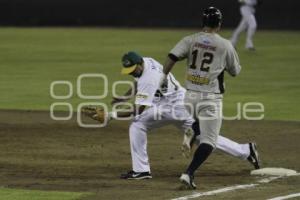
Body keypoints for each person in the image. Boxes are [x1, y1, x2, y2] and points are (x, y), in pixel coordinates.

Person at [109, 51, 259, 180]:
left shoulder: (149, 78)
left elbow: (138, 110)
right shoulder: (146, 62)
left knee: (137, 124)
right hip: (176, 101)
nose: (132, 72)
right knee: (204, 138)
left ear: (140, 64)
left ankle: (141, 170)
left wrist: (111, 115)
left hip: (174, 107)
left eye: (133, 69)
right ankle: (246, 150)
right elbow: (137, 83)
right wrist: (123, 98)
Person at [162, 7, 244, 189]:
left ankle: (192, 130)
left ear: (203, 23)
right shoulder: (225, 44)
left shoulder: (190, 39)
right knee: (209, 142)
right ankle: (189, 173)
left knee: (200, 120)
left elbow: (171, 58)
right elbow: (235, 72)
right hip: (210, 99)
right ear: (219, 24)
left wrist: (163, 78)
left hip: (189, 97)